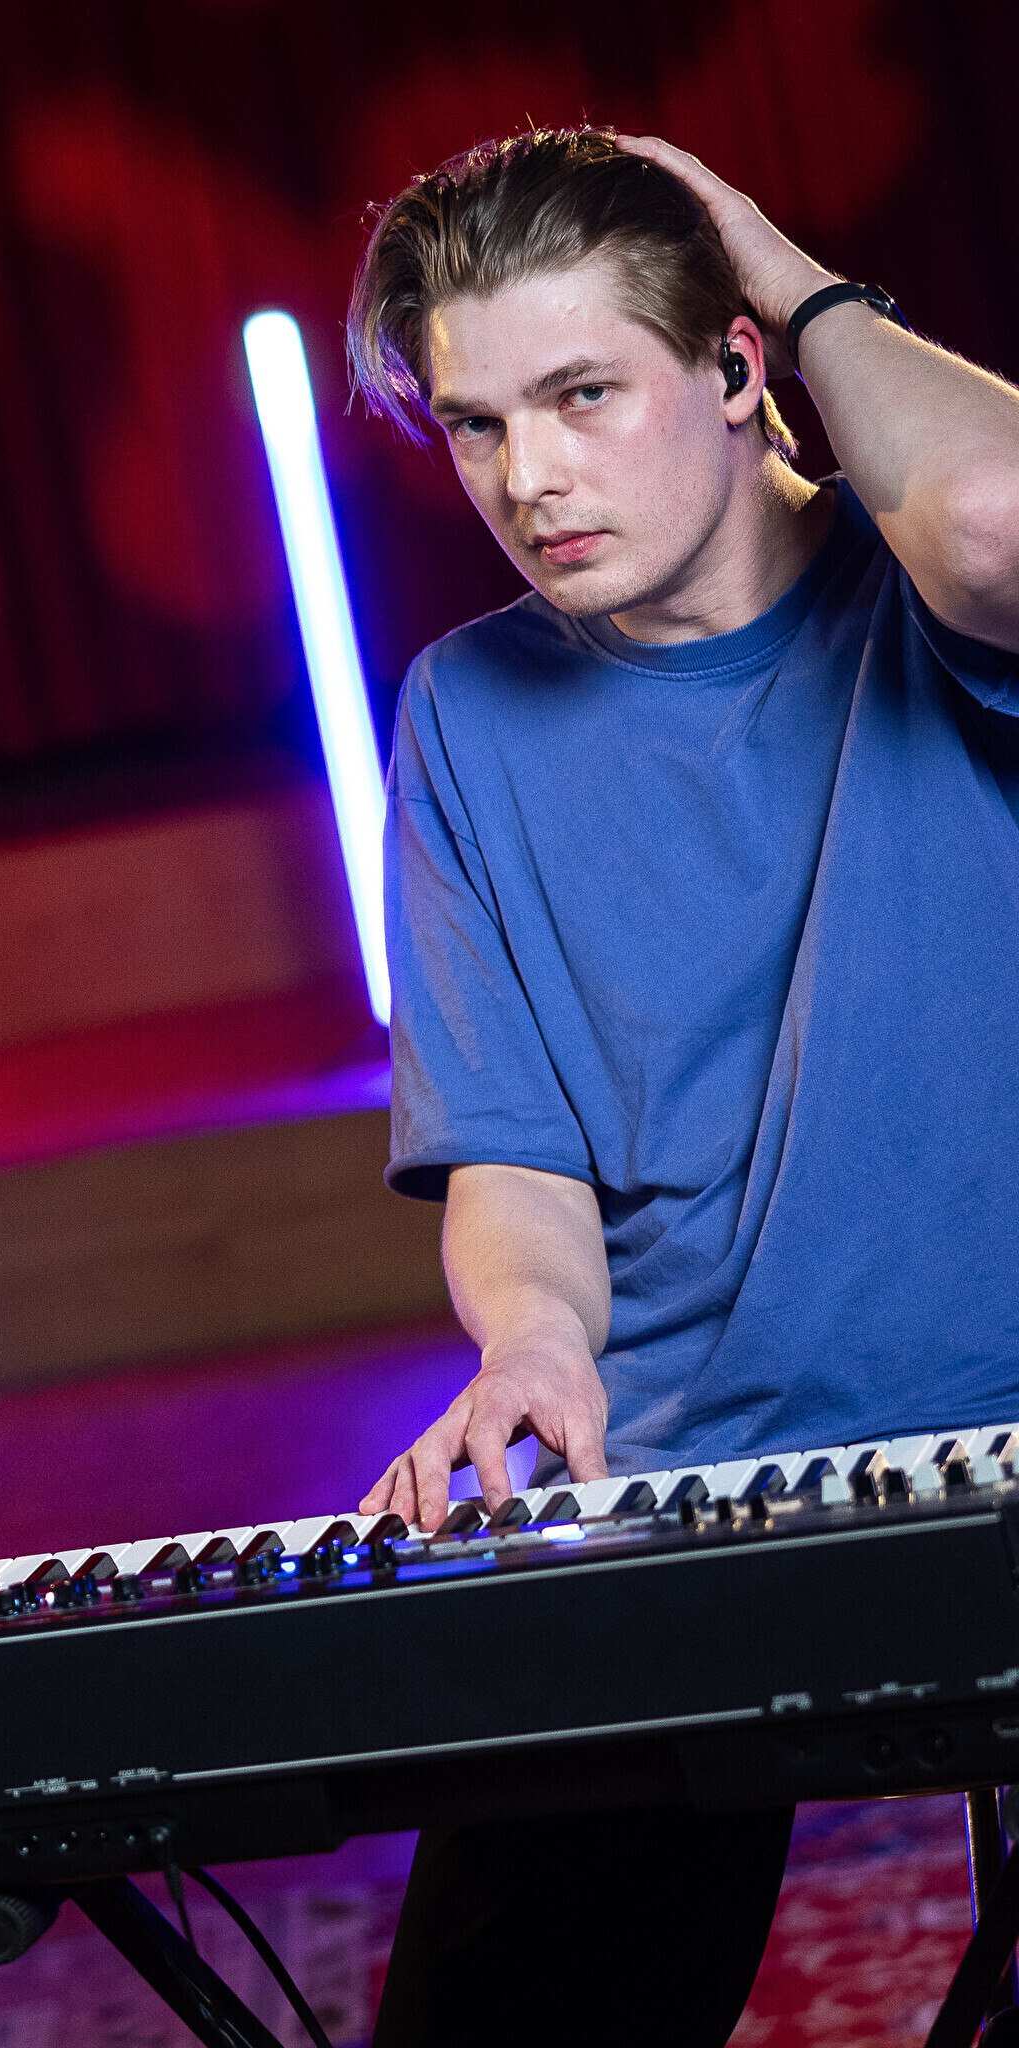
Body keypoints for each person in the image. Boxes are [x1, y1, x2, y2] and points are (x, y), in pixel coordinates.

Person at [338, 126, 1019, 2040]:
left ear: (735, 368)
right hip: (684, 1488)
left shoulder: (940, 589)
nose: (528, 479)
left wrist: (774, 260)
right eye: (477, 425)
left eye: (583, 395)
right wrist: (535, 1346)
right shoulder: (465, 711)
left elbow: (990, 520)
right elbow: (514, 1154)